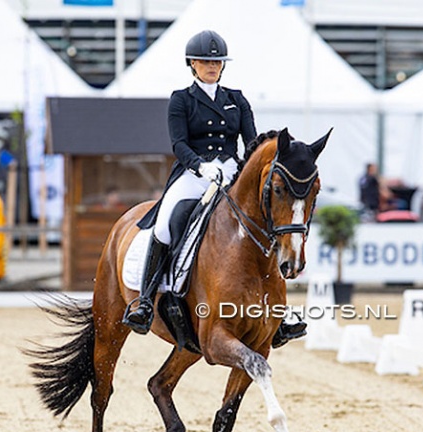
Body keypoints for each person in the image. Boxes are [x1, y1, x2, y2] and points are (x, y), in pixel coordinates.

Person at [123, 30, 306, 347]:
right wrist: (200, 165)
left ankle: (279, 312)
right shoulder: (181, 99)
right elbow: (178, 143)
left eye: (217, 61)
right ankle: (144, 300)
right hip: (194, 174)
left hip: (231, 172)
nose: (212, 66)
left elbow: (252, 143)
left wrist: (241, 168)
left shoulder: (236, 99)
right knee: (167, 222)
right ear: (192, 64)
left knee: (265, 223)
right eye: (206, 61)